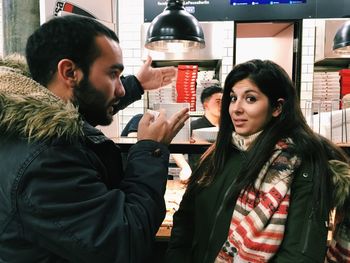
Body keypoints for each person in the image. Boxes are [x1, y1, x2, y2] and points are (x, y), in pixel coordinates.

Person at [0, 15, 190, 263]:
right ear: (69, 72)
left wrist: (138, 84)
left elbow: (84, 107)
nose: (120, 89)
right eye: (113, 74)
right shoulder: (45, 159)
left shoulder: (28, 124)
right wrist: (149, 150)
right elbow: (125, 242)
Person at [166, 59, 350, 262]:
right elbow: (185, 221)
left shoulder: (300, 165)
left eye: (250, 99)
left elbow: (299, 255)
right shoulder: (216, 155)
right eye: (233, 98)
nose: (236, 108)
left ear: (277, 107)